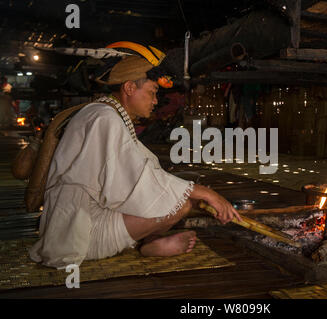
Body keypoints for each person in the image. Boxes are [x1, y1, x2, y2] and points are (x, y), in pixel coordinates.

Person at [29, 55, 242, 269]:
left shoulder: (106, 113)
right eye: (152, 92)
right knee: (181, 203)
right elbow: (140, 178)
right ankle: (148, 242)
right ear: (130, 88)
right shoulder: (105, 118)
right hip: (78, 234)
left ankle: (150, 242)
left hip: (83, 218)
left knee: (177, 194)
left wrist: (192, 191)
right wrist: (207, 193)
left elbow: (141, 176)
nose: (156, 101)